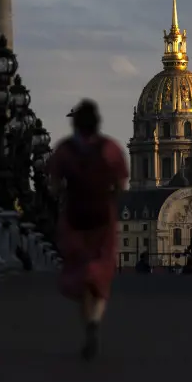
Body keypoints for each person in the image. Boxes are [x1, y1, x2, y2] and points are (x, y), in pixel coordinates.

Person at [47, 99, 128, 360]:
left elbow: (54, 186)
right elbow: (121, 185)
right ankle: (96, 319)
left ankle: (88, 322)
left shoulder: (64, 151)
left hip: (74, 218)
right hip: (102, 218)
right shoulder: (111, 148)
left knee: (80, 272)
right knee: (101, 273)